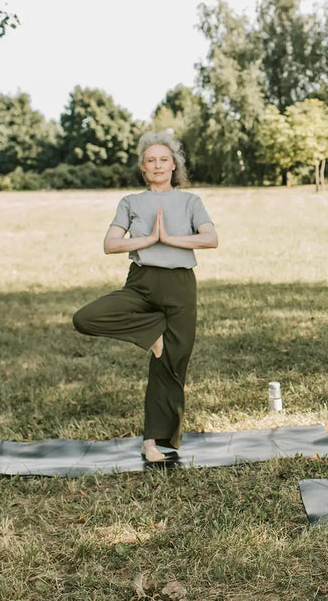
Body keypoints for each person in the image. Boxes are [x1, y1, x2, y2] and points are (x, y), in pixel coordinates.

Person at [72, 132, 218, 462]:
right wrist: (149, 240)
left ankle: (153, 442)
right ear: (143, 167)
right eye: (150, 160)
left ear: (174, 165)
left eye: (163, 159)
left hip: (181, 287)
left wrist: (170, 238)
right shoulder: (130, 202)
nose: (157, 165)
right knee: (85, 317)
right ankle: (151, 333)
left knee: (171, 365)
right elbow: (110, 244)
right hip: (141, 283)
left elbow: (210, 238)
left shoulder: (190, 201)